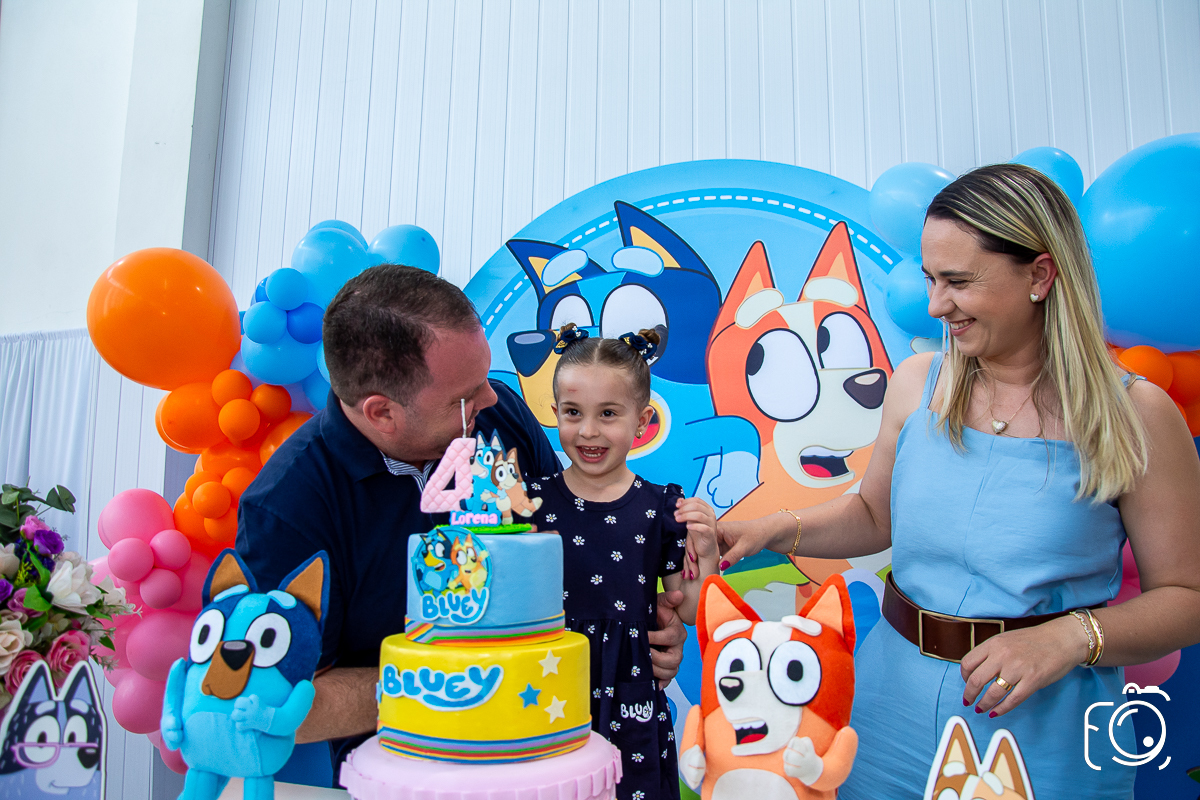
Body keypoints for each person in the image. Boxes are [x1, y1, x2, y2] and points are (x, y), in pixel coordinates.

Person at [714, 164, 1200, 799]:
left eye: (958, 281)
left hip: (1045, 734)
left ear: (1040, 275)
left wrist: (1069, 637)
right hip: (887, 714)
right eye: (930, 279)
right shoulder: (917, 384)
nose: (936, 305)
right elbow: (873, 517)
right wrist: (773, 527)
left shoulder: (1137, 414)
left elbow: (1188, 597)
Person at [235, 265, 688, 781]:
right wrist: (462, 681)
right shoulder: (287, 509)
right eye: (464, 398)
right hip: (417, 774)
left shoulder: (497, 414)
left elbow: (559, 547)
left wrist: (640, 632)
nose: (491, 398)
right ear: (382, 413)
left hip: (543, 753)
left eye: (485, 379)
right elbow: (276, 699)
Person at [529, 324, 720, 800]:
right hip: (543, 690)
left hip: (630, 695)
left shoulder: (663, 509)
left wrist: (708, 553)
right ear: (555, 413)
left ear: (642, 420)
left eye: (608, 413)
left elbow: (692, 609)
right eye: (573, 412)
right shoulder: (528, 504)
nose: (588, 431)